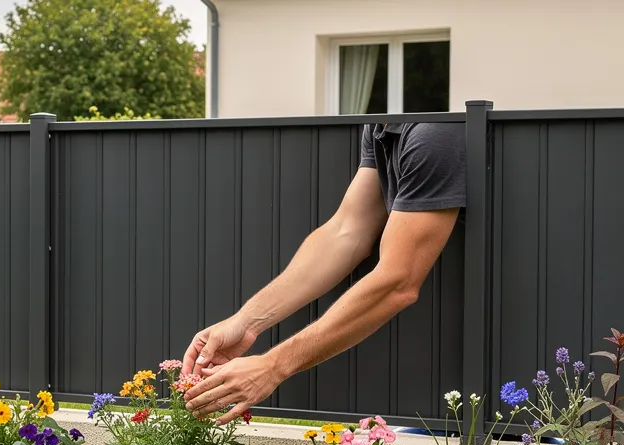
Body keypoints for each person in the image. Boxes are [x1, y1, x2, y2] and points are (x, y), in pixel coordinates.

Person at [182, 122, 466, 424]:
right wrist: (246, 321)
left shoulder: (434, 133)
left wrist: (272, 366)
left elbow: (398, 281)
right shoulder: (383, 124)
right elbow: (346, 232)